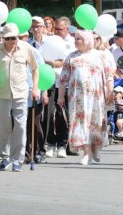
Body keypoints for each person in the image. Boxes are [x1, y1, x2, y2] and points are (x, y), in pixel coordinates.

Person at [0, 23, 39, 172]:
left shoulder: (26, 48)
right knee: (2, 126)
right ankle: (5, 157)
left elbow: (35, 69)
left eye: (14, 38)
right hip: (1, 92)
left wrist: (35, 89)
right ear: (3, 38)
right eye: (8, 38)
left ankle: (18, 159)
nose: (11, 41)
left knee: (21, 126)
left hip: (21, 92)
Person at [58, 30, 114, 165]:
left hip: (96, 96)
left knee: (96, 122)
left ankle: (95, 148)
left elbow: (109, 76)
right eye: (75, 38)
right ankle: (86, 152)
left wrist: (110, 93)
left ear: (88, 41)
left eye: (79, 39)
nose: (75, 41)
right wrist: (60, 96)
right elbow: (63, 79)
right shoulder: (71, 57)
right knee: (80, 123)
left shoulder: (101, 56)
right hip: (77, 98)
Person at [45, 16, 76, 158]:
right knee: (50, 114)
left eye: (60, 29)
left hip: (66, 84)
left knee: (63, 115)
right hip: (50, 82)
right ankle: (51, 143)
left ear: (67, 29)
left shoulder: (73, 42)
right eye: (55, 29)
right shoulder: (49, 40)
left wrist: (59, 63)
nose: (57, 31)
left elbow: (72, 62)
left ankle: (63, 144)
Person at [18, 31, 49, 164]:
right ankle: (25, 152)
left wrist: (44, 92)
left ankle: (39, 150)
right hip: (19, 93)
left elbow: (43, 72)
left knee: (34, 123)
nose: (19, 40)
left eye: (22, 37)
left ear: (26, 37)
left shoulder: (33, 51)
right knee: (21, 124)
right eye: (17, 37)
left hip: (34, 92)